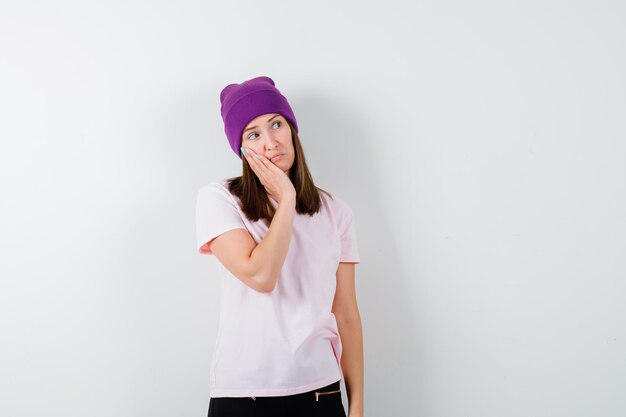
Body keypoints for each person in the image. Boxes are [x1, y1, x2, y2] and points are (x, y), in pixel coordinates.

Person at [196, 75, 364, 417]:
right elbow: (261, 275)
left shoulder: (336, 212)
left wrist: (357, 404)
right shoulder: (220, 199)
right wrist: (286, 198)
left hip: (321, 393)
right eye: (254, 134)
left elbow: (346, 314)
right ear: (241, 148)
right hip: (244, 395)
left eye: (277, 125)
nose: (271, 142)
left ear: (292, 130)